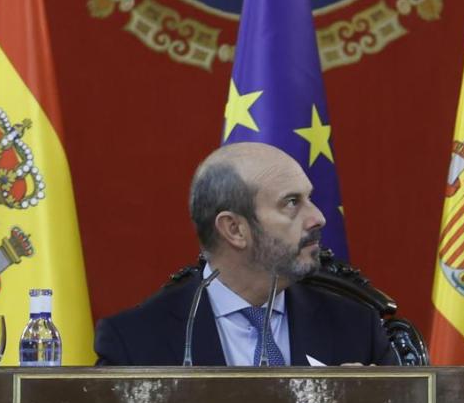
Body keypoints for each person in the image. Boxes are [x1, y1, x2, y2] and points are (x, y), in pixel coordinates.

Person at [95, 142, 396, 366]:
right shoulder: (133, 344)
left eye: (310, 198)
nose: (317, 217)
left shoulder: (356, 329)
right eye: (291, 202)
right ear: (235, 229)